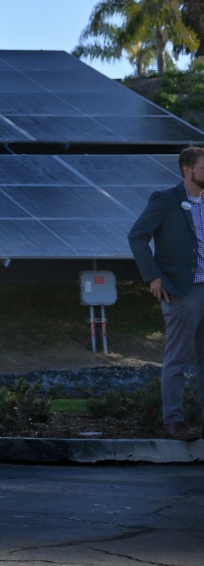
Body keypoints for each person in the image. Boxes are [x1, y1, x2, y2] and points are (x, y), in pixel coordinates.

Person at [127, 145, 204, 441]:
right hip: (182, 291)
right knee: (178, 358)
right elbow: (137, 236)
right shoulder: (166, 200)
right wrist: (154, 276)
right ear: (188, 169)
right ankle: (174, 421)